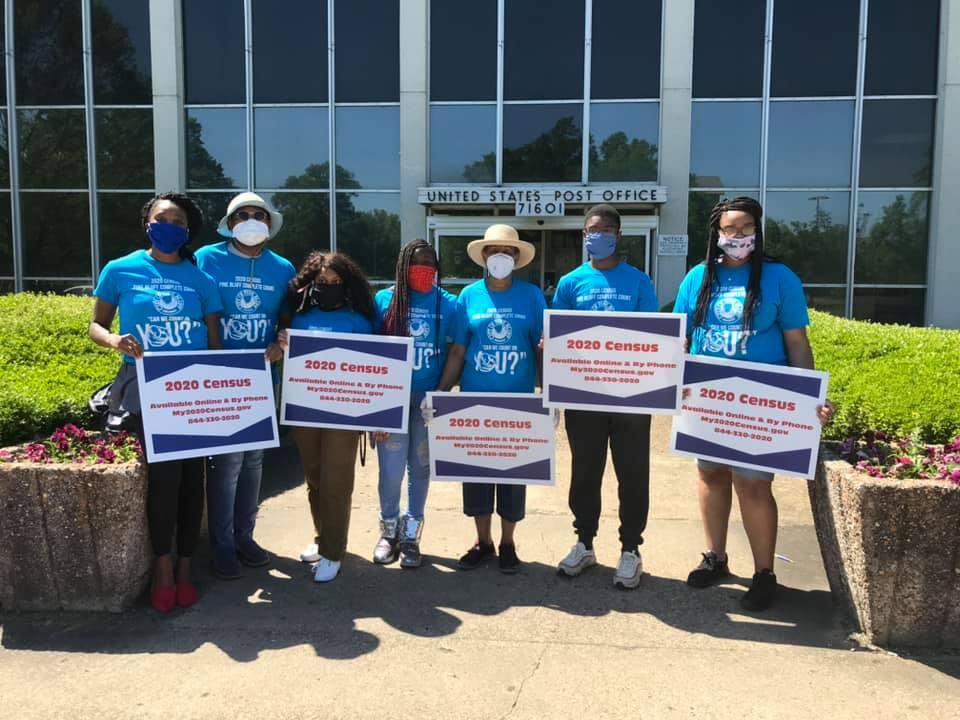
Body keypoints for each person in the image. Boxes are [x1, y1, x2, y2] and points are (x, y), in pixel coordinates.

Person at [673, 196, 833, 611]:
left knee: (754, 483)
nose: (738, 236)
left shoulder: (780, 279)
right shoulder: (697, 278)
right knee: (711, 476)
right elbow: (681, 338)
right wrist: (673, 380)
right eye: (730, 229)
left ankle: (764, 573)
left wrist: (810, 397)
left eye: (746, 228)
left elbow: (797, 343)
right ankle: (716, 557)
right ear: (717, 234)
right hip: (708, 400)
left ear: (758, 232)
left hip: (760, 402)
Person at [89, 192, 223, 613]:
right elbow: (96, 324)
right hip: (148, 390)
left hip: (193, 391)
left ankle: (186, 564)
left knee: (192, 482)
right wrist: (114, 340)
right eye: (160, 217)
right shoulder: (121, 269)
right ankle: (163, 566)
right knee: (164, 483)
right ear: (147, 223)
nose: (168, 225)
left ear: (187, 230)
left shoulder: (202, 280)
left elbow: (215, 345)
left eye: (177, 220)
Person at [552, 204, 659, 590]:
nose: (598, 236)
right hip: (584, 395)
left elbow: (653, 334)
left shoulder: (638, 282)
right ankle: (584, 541)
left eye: (606, 229)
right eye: (591, 230)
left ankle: (631, 549)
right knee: (585, 471)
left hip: (631, 396)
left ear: (618, 235)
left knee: (632, 474)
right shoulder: (570, 283)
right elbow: (559, 335)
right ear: (584, 236)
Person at [434, 224, 547, 574]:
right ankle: (482, 541)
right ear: (483, 256)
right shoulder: (468, 296)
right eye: (494, 250)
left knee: (513, 477)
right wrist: (440, 394)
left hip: (518, 403)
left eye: (509, 251)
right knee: (477, 475)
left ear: (517, 258)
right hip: (474, 402)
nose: (501, 257)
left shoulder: (532, 296)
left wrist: (551, 394)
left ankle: (508, 543)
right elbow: (457, 350)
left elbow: (543, 350)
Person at [195, 192, 295, 580]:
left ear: (269, 224)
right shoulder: (207, 259)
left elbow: (287, 315)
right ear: (230, 222)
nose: (252, 221)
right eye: (243, 215)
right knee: (227, 462)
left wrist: (281, 341)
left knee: (254, 460)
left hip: (262, 377)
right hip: (220, 377)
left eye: (259, 215)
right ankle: (221, 546)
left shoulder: (282, 267)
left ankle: (245, 536)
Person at [283, 251, 376, 583]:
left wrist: (376, 415)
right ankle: (323, 538)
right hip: (305, 409)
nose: (329, 287)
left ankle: (334, 552)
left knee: (337, 482)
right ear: (311, 284)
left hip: (345, 413)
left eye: (336, 282)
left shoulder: (361, 322)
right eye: (322, 282)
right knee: (315, 479)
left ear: (347, 285)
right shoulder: (298, 319)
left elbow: (378, 370)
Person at [370, 240, 458, 568]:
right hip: (390, 401)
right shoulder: (384, 300)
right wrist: (375, 407)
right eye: (417, 263)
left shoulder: (448, 304)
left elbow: (455, 352)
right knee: (390, 472)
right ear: (403, 265)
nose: (425, 269)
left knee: (420, 468)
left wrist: (441, 393)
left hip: (426, 399)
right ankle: (388, 531)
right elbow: (371, 353)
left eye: (430, 263)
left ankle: (411, 534)